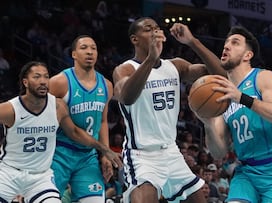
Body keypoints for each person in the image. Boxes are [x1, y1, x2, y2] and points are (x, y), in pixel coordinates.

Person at [170, 23, 272, 202]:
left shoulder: (262, 77)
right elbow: (219, 152)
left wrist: (242, 98)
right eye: (226, 43)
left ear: (248, 55)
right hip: (246, 171)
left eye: (235, 43)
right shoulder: (222, 95)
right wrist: (208, 123)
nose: (227, 46)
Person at [112, 17, 224, 203]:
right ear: (135, 39)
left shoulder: (175, 66)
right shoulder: (125, 69)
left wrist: (192, 41)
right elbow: (126, 97)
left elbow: (220, 74)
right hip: (142, 156)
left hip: (171, 152)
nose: (155, 32)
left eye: (157, 28)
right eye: (148, 29)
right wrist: (150, 60)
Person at [0, 61, 121, 202]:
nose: (43, 81)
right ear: (25, 82)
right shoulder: (10, 109)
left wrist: (104, 149)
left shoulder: (57, 106)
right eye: (37, 77)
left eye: (46, 77)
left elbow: (75, 132)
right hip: (9, 174)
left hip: (40, 178)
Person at [49, 35, 120, 202]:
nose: (89, 52)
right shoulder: (59, 82)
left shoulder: (107, 85)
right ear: (73, 54)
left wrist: (105, 154)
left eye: (93, 48)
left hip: (87, 156)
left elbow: (102, 121)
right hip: (58, 153)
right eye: (84, 48)